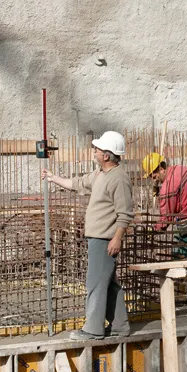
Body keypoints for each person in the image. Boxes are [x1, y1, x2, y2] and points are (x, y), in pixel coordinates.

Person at [42, 131, 134, 340]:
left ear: (107, 155)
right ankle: (120, 326)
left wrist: (117, 238)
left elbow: (125, 213)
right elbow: (78, 184)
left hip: (105, 239)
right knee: (108, 285)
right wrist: (53, 178)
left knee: (95, 284)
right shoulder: (100, 174)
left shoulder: (119, 179)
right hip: (98, 238)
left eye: (97, 150)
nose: (94, 152)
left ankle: (93, 329)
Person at [142, 152, 187, 258]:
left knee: (179, 257)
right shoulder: (181, 169)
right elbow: (181, 193)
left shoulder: (167, 190)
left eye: (154, 176)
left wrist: (154, 230)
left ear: (161, 169)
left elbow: (165, 220)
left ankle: (184, 266)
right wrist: (161, 191)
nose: (154, 180)